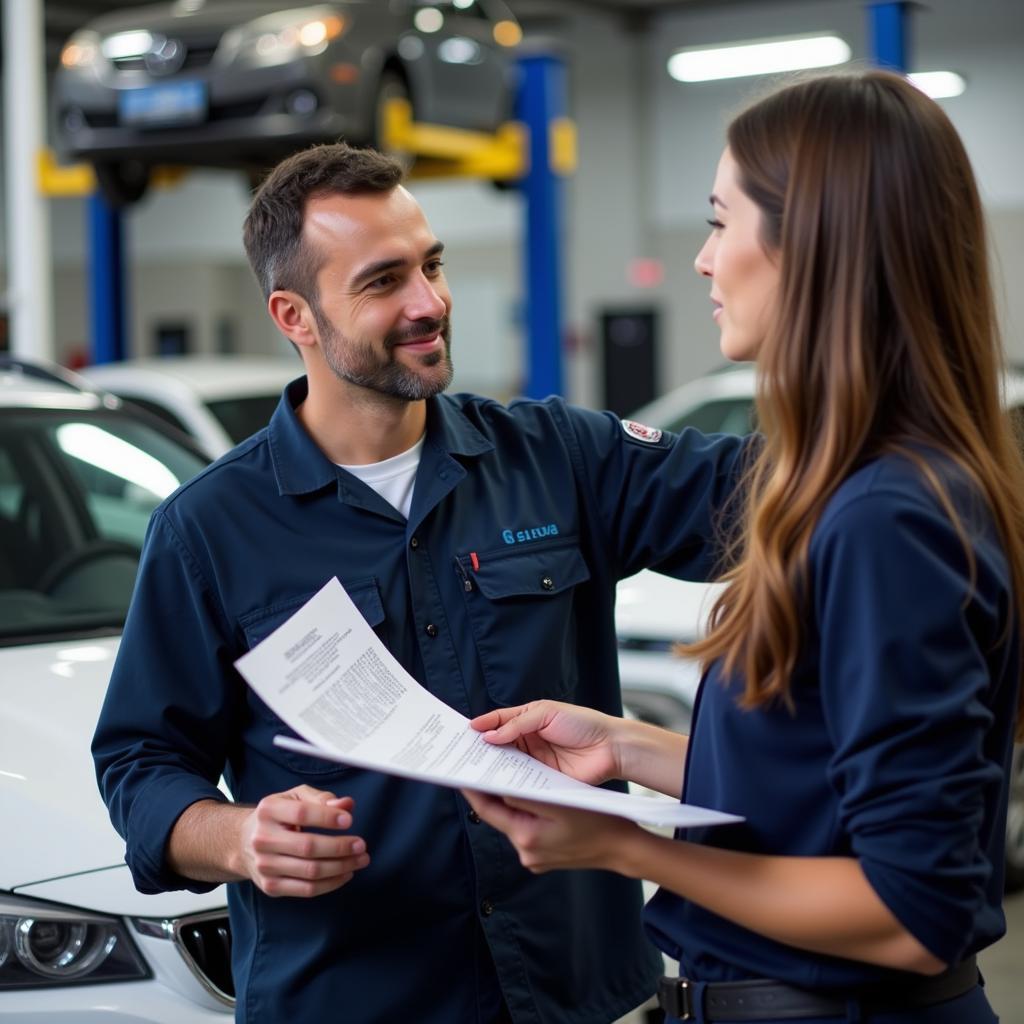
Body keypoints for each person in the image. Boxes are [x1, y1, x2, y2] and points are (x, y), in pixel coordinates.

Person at [91, 142, 750, 1023]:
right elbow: (142, 762)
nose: (429, 303)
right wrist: (241, 839)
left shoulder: (559, 460)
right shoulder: (210, 530)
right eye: (382, 280)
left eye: (432, 265)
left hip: (579, 998)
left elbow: (789, 505)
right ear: (295, 314)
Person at [463, 70, 1024, 1024]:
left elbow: (911, 911)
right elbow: (819, 786)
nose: (702, 260)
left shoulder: (889, 517)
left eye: (721, 222)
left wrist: (623, 848)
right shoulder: (865, 488)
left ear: (810, 245)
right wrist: (625, 747)